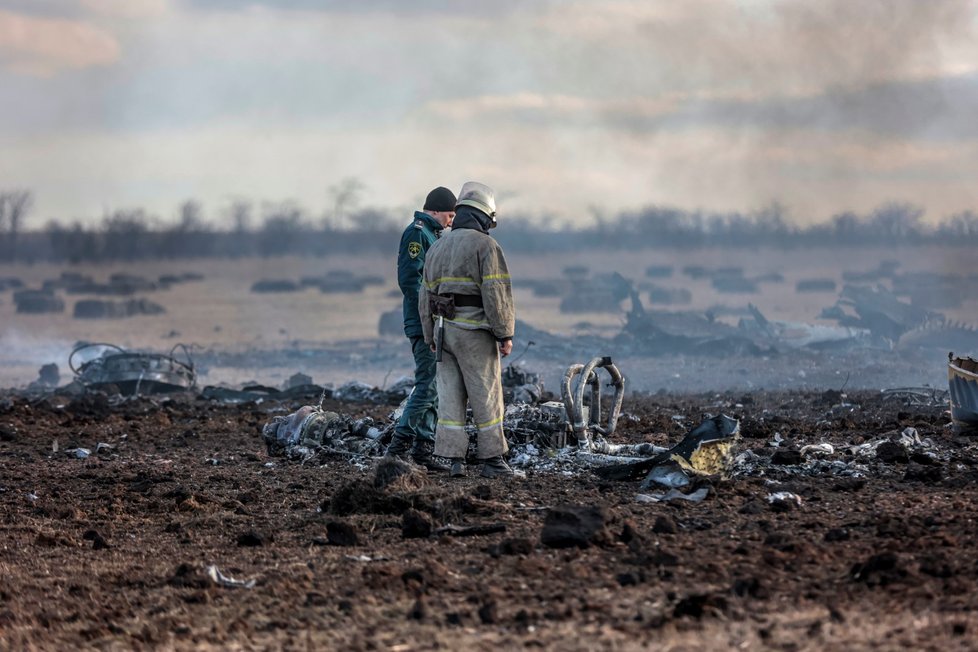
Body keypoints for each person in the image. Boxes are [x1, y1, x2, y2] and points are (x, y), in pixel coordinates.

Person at [419, 181, 516, 479]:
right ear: (484, 217)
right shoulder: (486, 246)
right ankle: (492, 460)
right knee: (485, 395)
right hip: (475, 333)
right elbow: (496, 293)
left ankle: (454, 460)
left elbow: (425, 296)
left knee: (449, 397)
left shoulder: (437, 246)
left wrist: (429, 335)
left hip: (443, 332)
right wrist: (504, 333)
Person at [385, 186, 457, 470]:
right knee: (427, 384)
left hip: (435, 322)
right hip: (422, 322)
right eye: (449, 215)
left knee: (435, 385)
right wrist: (430, 309)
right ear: (436, 210)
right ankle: (397, 447)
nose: (451, 221)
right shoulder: (417, 233)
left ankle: (423, 451)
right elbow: (409, 280)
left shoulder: (432, 235)